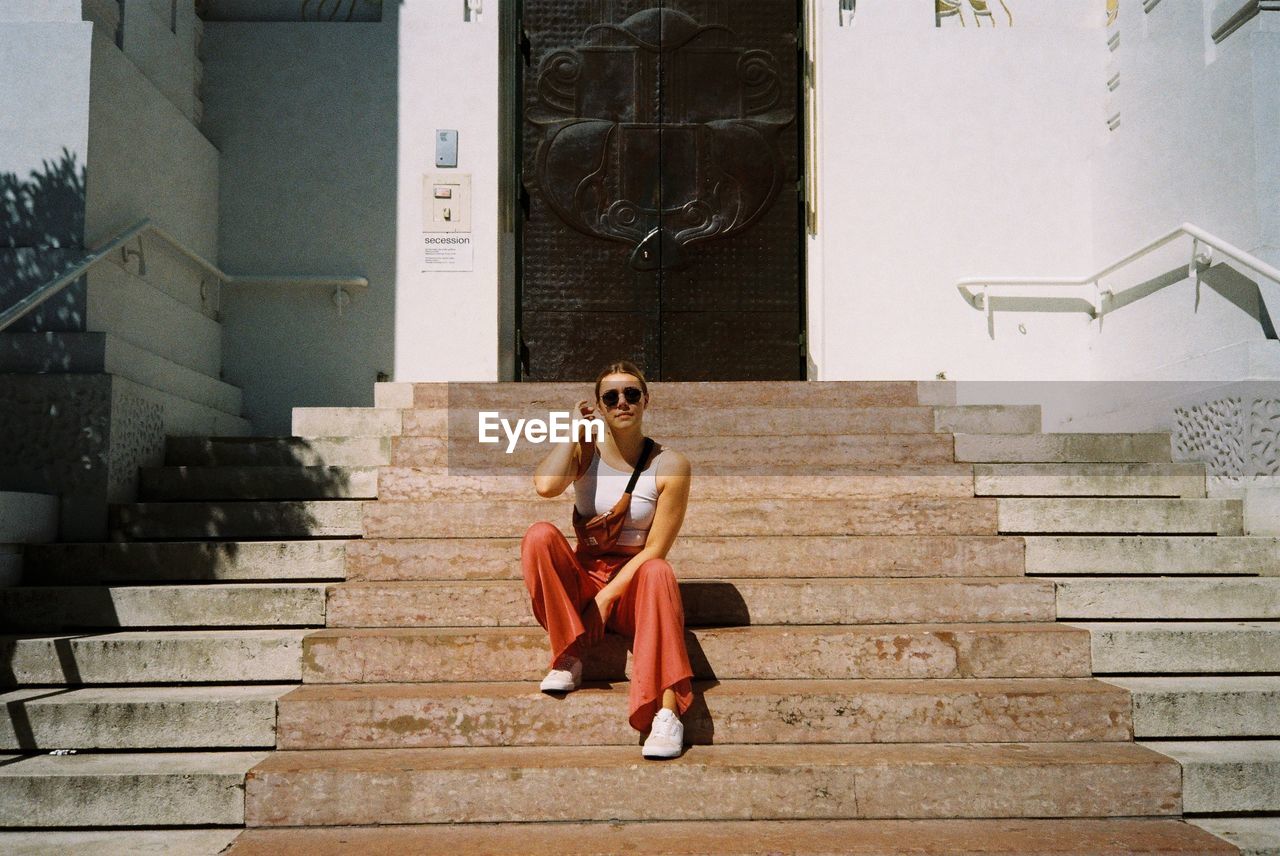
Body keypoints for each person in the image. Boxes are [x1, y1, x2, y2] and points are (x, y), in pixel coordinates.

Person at [520, 360, 695, 759]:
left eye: (632, 394)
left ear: (646, 400)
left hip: (634, 582)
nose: (622, 402)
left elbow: (655, 548)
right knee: (539, 536)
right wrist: (571, 435)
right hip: (585, 573)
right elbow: (546, 487)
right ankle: (569, 654)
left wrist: (609, 595)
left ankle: (666, 714)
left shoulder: (671, 465)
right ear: (599, 406)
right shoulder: (586, 451)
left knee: (659, 571)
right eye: (611, 397)